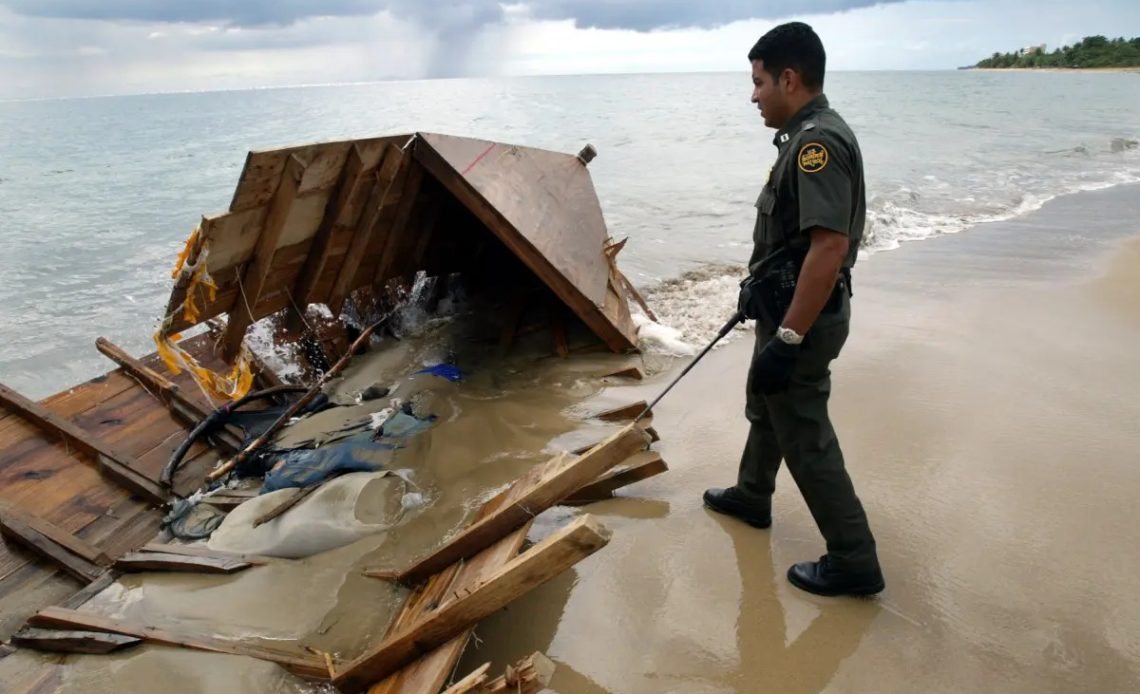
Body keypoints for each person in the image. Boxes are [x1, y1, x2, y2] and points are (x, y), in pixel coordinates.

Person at [703, 21, 885, 597]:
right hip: (788, 307)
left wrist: (787, 339)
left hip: (804, 318)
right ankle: (753, 496)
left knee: (804, 431)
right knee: (767, 403)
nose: (753, 95)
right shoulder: (806, 134)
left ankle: (854, 558)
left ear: (789, 77)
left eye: (758, 82)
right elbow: (796, 245)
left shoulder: (816, 145)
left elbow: (829, 248)